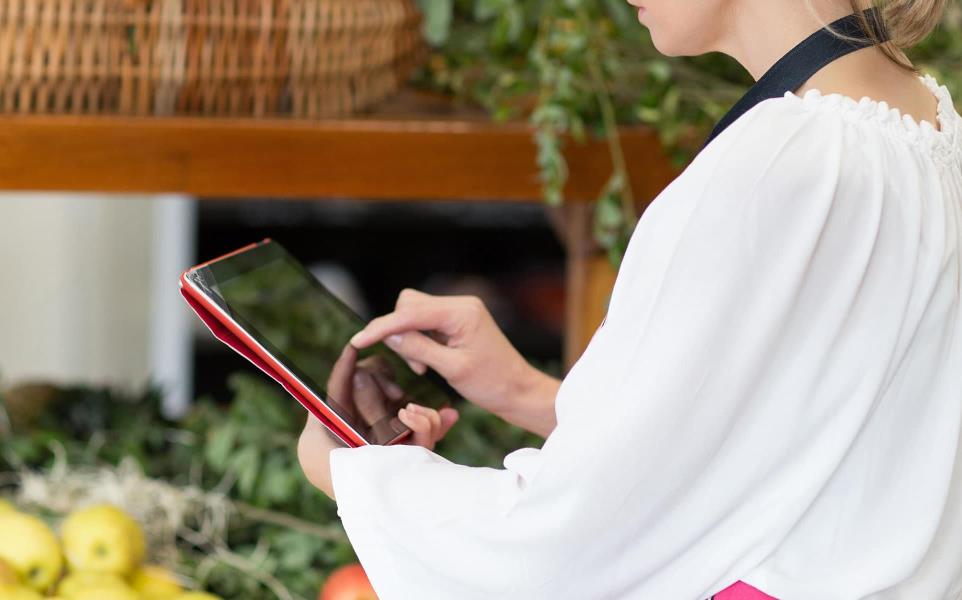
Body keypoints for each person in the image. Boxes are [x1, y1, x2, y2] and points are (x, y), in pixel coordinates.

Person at [296, 0, 962, 597]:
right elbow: (796, 449)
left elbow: (566, 548)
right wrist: (527, 392)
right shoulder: (932, 124)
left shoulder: (772, 163)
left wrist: (351, 477)